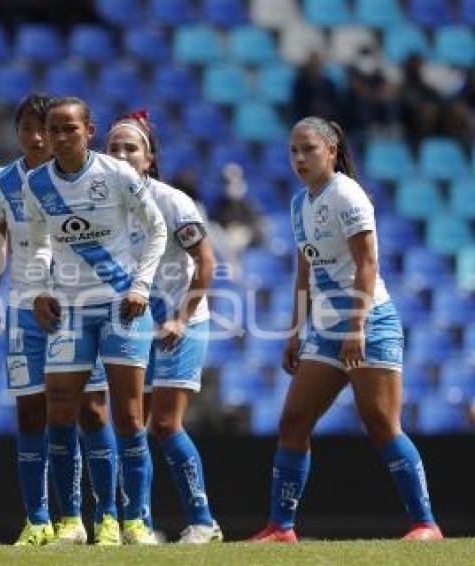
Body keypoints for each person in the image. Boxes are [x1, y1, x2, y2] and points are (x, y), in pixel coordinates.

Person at [249, 117, 443, 542]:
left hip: (368, 322)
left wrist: (356, 325)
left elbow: (367, 263)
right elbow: (305, 271)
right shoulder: (301, 203)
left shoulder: (347, 194)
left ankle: (426, 524)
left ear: (332, 151)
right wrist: (295, 329)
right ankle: (281, 528)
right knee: (294, 420)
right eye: (294, 151)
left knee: (380, 423)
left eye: (309, 149)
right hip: (324, 328)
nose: (299, 158)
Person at [23, 96, 167, 545]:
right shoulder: (37, 183)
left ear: (88, 130)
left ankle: (132, 521)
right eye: (54, 129)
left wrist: (141, 286)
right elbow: (38, 242)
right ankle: (72, 521)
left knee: (127, 415)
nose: (61, 137)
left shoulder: (117, 174)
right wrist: (40, 290)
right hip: (69, 309)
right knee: (61, 411)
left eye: (70, 128)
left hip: (121, 305)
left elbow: (157, 229)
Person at [0, 94, 120, 546]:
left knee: (92, 411)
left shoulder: (82, 178)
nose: (38, 137)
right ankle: (41, 520)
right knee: (30, 414)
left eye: (46, 128)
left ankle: (105, 517)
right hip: (25, 308)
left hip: (76, 305)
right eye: (27, 128)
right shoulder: (2, 181)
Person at [106, 111, 221, 544]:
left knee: (166, 426)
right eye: (113, 147)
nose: (121, 155)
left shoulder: (173, 202)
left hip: (180, 322)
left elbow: (207, 262)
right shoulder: (102, 207)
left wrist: (181, 317)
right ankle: (140, 525)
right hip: (135, 326)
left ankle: (203, 521)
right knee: (132, 427)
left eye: (130, 148)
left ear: (149, 158)